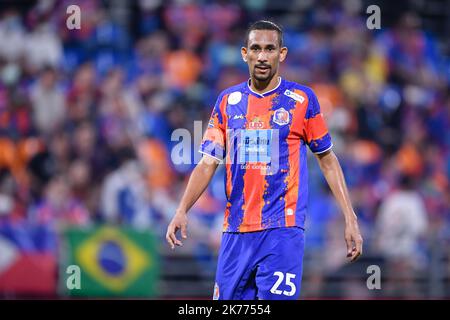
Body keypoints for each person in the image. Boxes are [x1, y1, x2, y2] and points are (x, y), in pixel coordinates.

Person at [166, 20, 363, 300]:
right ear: (244, 53)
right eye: (256, 48)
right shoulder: (227, 101)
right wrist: (182, 209)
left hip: (282, 231)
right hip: (236, 230)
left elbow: (328, 160)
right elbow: (208, 162)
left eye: (269, 49)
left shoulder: (302, 100)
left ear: (281, 54)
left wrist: (350, 218)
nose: (262, 56)